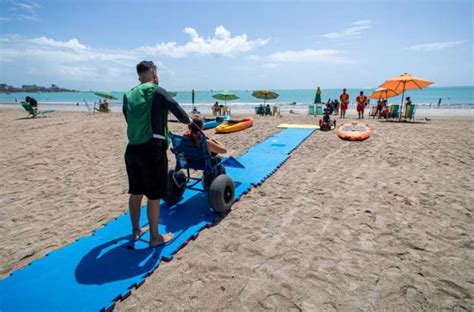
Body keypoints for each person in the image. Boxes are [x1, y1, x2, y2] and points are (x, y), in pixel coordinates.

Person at [123, 60, 191, 247]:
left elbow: (128, 118)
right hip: (152, 150)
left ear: (139, 76)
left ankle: (136, 230)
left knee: (136, 192)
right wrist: (190, 122)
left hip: (132, 149)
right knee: (154, 195)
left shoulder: (128, 94)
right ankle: (155, 237)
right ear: (154, 73)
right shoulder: (157, 91)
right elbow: (180, 114)